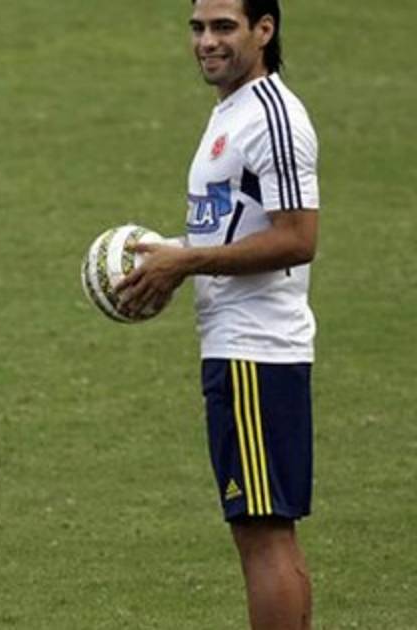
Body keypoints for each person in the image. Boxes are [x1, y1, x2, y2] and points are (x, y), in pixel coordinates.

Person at [117, 0, 319, 628]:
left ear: (265, 30)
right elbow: (234, 226)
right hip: (236, 351)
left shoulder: (273, 117)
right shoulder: (232, 112)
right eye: (199, 28)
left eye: (224, 27)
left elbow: (298, 238)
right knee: (260, 530)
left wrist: (188, 262)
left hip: (258, 351)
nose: (207, 41)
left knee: (264, 533)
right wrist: (171, 257)